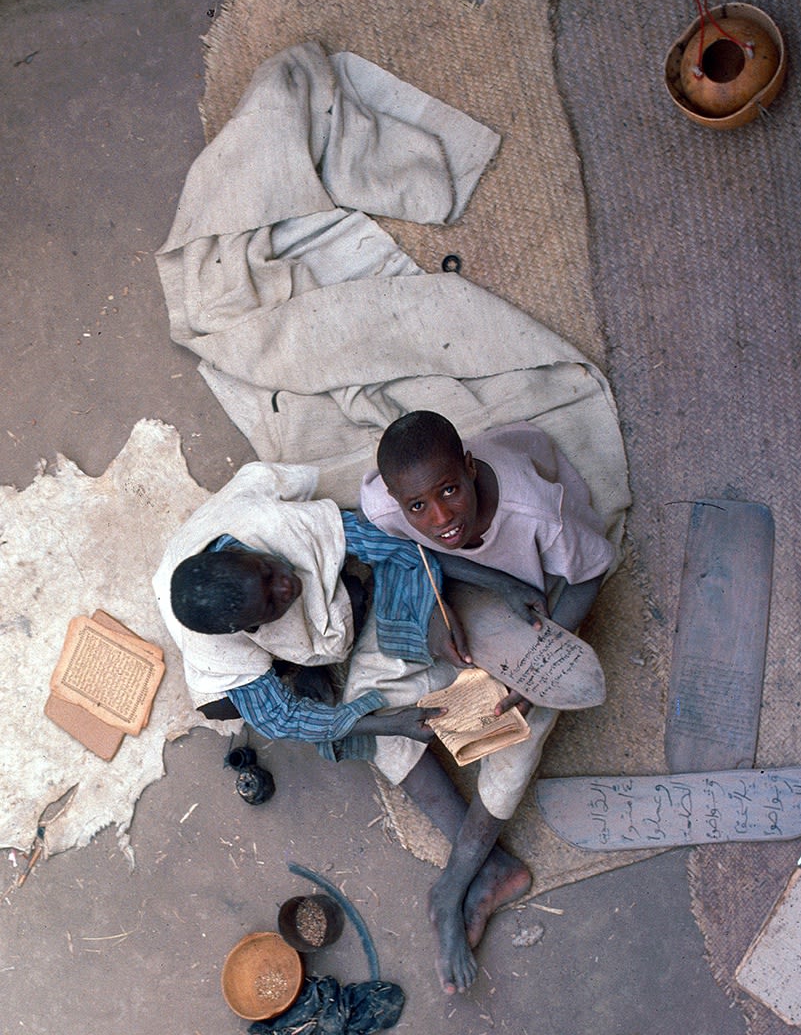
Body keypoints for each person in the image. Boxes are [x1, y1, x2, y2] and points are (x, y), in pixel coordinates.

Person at [350, 410, 615, 995]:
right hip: (471, 597)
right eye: (418, 505)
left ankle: (455, 881)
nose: (440, 516)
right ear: (398, 501)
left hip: (537, 602)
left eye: (450, 490)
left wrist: (537, 671)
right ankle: (489, 868)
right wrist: (436, 611)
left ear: (470, 467)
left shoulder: (533, 511)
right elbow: (416, 553)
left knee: (524, 719)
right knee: (363, 699)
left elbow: (594, 572)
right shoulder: (384, 504)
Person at [153, 460, 445, 761]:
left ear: (240, 552)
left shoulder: (277, 525)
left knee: (351, 598)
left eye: (268, 572)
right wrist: (388, 724)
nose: (286, 587)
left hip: (233, 519)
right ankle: (295, 664)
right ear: (247, 627)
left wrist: (433, 611)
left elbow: (392, 545)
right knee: (220, 707)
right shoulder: (213, 645)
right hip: (187, 595)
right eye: (270, 605)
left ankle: (300, 659)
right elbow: (278, 720)